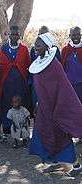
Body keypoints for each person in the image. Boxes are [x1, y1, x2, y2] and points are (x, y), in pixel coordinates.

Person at [29, 32, 82, 176]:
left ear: (47, 46)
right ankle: (53, 162)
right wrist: (39, 103)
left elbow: (63, 88)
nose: (35, 47)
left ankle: (76, 165)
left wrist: (58, 108)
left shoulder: (54, 65)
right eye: (35, 45)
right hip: (43, 108)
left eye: (39, 45)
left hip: (55, 109)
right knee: (44, 133)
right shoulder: (39, 64)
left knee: (60, 136)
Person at [0, 26, 31, 140]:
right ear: (9, 35)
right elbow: (1, 65)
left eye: (16, 34)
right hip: (7, 82)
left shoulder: (24, 49)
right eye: (12, 34)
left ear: (19, 35)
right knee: (8, 104)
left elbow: (27, 65)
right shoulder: (4, 48)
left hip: (20, 82)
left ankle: (24, 132)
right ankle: (8, 131)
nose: (14, 36)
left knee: (21, 105)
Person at [29, 26, 61, 109]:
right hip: (37, 83)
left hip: (50, 84)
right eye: (40, 34)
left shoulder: (55, 50)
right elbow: (32, 65)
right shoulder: (34, 49)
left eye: (44, 35)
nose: (42, 37)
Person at [61, 26, 82, 103]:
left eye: (78, 34)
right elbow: (62, 68)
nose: (76, 37)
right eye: (73, 35)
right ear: (70, 36)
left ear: (81, 35)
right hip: (69, 85)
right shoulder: (65, 50)